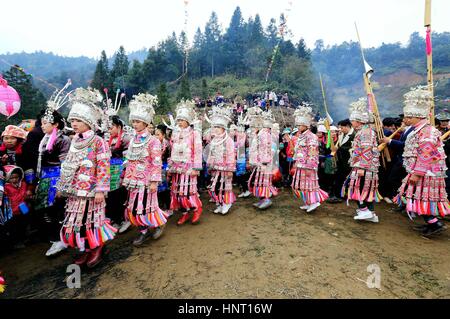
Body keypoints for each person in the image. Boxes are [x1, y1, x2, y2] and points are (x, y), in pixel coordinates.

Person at [56, 87, 116, 268]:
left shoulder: (99, 142)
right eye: (72, 120)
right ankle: (84, 248)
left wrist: (101, 189)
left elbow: (104, 167)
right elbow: (68, 164)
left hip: (92, 191)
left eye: (78, 120)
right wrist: (62, 186)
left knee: (92, 220)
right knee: (77, 222)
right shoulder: (75, 140)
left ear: (88, 122)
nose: (73, 123)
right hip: (75, 191)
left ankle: (96, 247)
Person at [394, 86, 448, 236]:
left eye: (408, 117)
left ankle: (435, 224)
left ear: (418, 117)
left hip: (426, 172)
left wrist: (417, 173)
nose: (405, 120)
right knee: (419, 196)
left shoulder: (427, 131)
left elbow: (426, 153)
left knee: (423, 197)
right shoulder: (420, 129)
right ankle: (431, 223)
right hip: (423, 171)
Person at [122, 93, 169, 246]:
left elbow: (156, 161)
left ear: (145, 123)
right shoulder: (132, 140)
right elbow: (129, 159)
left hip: (147, 181)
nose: (135, 124)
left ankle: (157, 224)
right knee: (135, 207)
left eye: (138, 121)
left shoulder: (153, 140)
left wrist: (154, 181)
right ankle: (143, 230)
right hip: (133, 180)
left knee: (147, 206)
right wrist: (126, 175)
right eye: (133, 121)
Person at [35, 101, 71, 257]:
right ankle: (56, 237)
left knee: (58, 209)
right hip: (45, 177)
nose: (42, 126)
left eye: (45, 123)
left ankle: (61, 239)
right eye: (41, 123)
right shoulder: (45, 138)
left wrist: (61, 186)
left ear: (55, 124)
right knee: (47, 210)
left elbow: (66, 165)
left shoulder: (63, 140)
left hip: (57, 177)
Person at [342, 98, 381, 223]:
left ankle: (365, 210)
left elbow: (366, 150)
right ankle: (370, 213)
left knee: (359, 188)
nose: (351, 122)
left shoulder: (365, 132)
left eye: (353, 120)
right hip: (365, 166)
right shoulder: (365, 131)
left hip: (364, 167)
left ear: (358, 121)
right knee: (365, 189)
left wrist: (361, 167)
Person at [168, 100, 203, 225]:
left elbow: (198, 151)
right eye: (178, 120)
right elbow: (172, 150)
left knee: (188, 191)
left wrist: (196, 168)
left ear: (188, 121)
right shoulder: (175, 133)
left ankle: (196, 209)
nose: (179, 123)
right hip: (177, 168)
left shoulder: (194, 134)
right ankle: (185, 212)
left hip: (189, 167)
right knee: (178, 193)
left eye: (182, 120)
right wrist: (171, 166)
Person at [291, 107, 328, 213]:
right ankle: (307, 202)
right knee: (302, 185)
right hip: (300, 165)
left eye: (300, 125)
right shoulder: (301, 136)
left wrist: (309, 166)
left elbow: (313, 153)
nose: (298, 127)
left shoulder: (312, 137)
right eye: (297, 125)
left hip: (308, 166)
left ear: (306, 125)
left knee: (309, 185)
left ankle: (314, 202)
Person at [206, 105, 236, 215]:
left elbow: (231, 155)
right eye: (214, 127)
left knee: (224, 187)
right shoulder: (214, 140)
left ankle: (226, 203)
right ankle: (219, 203)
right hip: (215, 168)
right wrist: (209, 164)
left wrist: (230, 169)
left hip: (224, 169)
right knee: (215, 187)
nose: (215, 130)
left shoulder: (228, 141)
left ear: (223, 128)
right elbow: (211, 153)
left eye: (217, 128)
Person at [247, 108, 278, 210]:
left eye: (253, 125)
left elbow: (266, 149)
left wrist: (264, 162)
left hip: (264, 164)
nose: (252, 127)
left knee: (264, 182)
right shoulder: (259, 134)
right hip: (259, 163)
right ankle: (261, 199)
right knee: (259, 181)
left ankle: (266, 199)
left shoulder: (264, 134)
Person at [3, 165, 29, 249]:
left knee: (24, 222)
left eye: (16, 177)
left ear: (19, 177)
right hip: (13, 209)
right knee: (15, 226)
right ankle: (17, 242)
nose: (14, 180)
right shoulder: (6, 187)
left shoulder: (23, 184)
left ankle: (24, 238)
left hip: (23, 206)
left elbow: (25, 193)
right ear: (7, 178)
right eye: (12, 178)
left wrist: (28, 194)